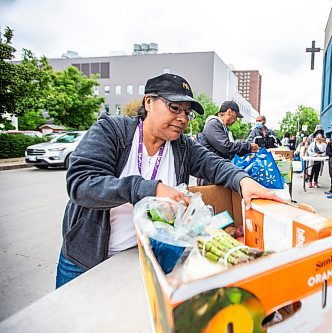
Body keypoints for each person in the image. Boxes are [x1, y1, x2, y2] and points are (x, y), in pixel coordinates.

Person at [55, 73, 283, 288]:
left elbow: (216, 165)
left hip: (146, 258)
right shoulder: (112, 131)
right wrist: (149, 188)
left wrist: (243, 180)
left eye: (187, 112)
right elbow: (82, 184)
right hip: (86, 260)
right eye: (174, 107)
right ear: (148, 102)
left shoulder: (182, 147)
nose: (182, 118)